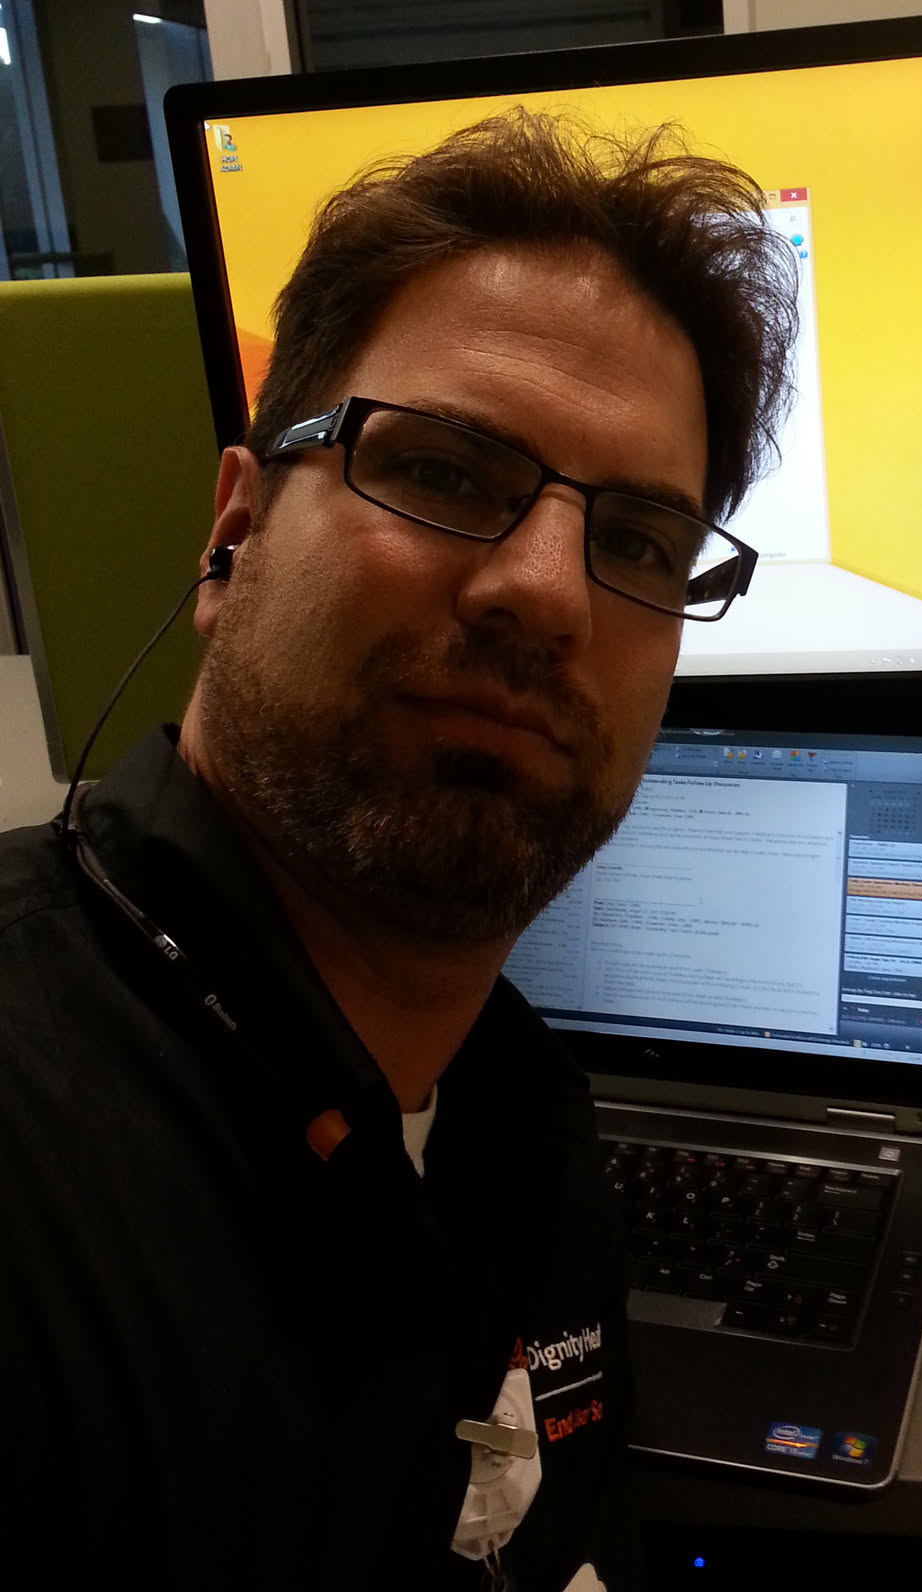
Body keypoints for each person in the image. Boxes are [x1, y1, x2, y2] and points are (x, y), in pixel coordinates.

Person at [0, 111, 797, 1590]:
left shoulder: (517, 1127)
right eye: (443, 469)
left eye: (639, 542)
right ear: (234, 534)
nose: (547, 591)